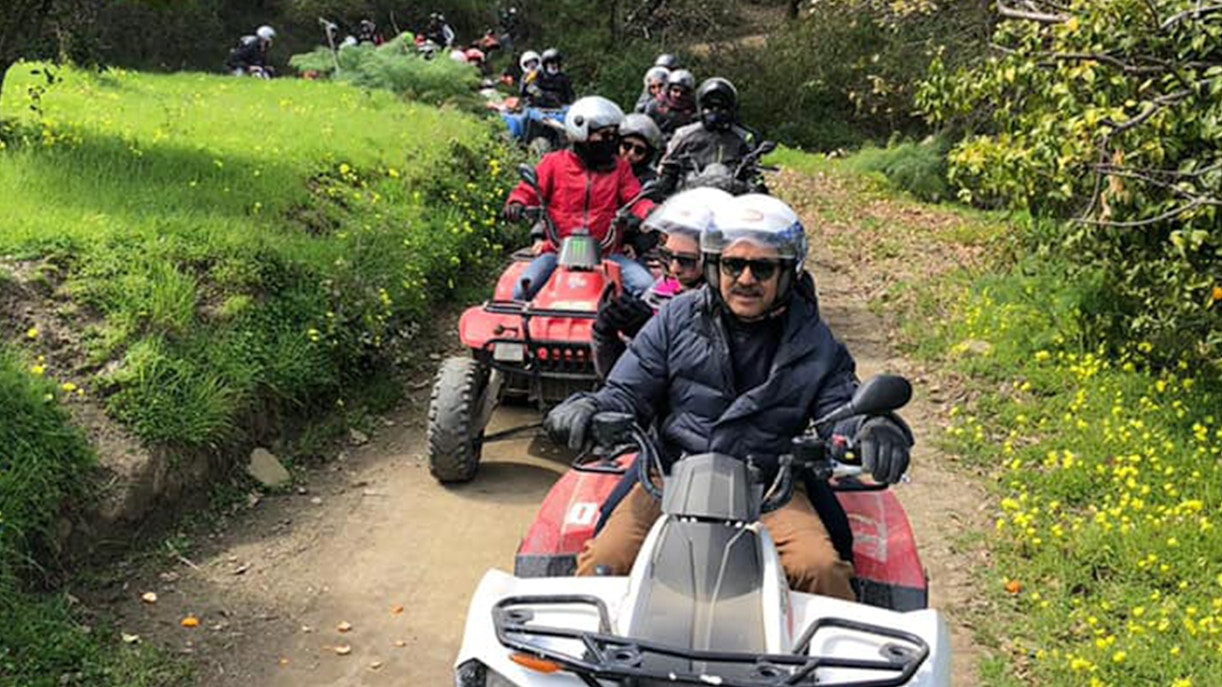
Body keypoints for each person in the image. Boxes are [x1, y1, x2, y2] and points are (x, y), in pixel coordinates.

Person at [543, 194, 914, 599]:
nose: (747, 278)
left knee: (821, 568)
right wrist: (591, 405)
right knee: (606, 560)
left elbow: (840, 405)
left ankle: (828, 663)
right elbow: (627, 389)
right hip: (671, 474)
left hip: (772, 484)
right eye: (734, 264)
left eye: (763, 267)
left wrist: (871, 426)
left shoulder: (814, 340)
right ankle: (587, 661)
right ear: (716, 267)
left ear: (788, 273)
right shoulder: (674, 319)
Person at [502, 97, 657, 301]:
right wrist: (516, 203)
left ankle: (640, 332)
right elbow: (529, 189)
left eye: (613, 135)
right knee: (522, 292)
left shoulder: (620, 168)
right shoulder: (553, 163)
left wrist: (652, 213)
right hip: (557, 251)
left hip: (607, 253)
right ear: (580, 131)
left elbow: (635, 198)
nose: (611, 141)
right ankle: (522, 331)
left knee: (646, 288)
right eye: (604, 135)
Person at [591, 187, 731, 379]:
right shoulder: (660, 291)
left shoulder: (731, 305)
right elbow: (621, 380)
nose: (674, 269)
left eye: (687, 260)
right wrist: (605, 333)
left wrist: (651, 332)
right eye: (667, 256)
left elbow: (707, 378)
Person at [657, 77, 758, 195]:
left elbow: (754, 176)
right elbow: (668, 173)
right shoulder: (683, 135)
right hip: (688, 200)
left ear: (732, 109)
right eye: (709, 107)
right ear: (700, 107)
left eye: (722, 108)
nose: (715, 112)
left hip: (732, 202)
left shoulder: (744, 138)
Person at [644, 68, 696, 137]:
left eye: (683, 93)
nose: (678, 95)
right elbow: (646, 128)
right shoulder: (654, 105)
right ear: (668, 89)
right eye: (675, 90)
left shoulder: (693, 109)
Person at [617, 113, 663, 186]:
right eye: (627, 146)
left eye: (639, 150)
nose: (631, 153)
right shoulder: (602, 166)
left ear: (647, 155)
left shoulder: (650, 182)